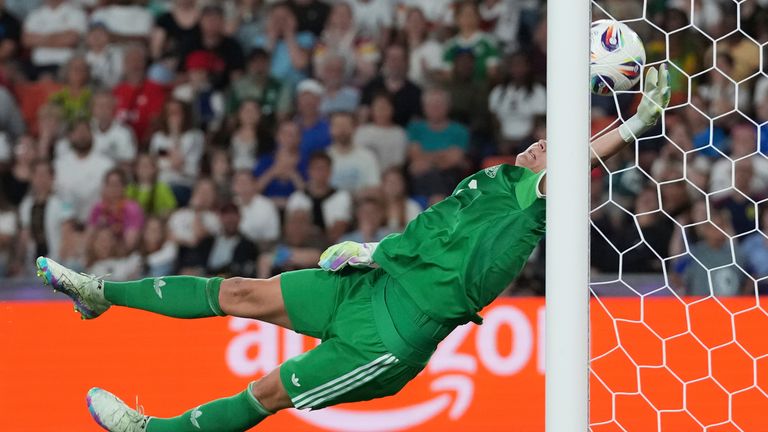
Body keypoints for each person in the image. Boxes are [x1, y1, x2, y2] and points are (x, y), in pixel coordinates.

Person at [37, 67, 670, 432]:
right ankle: (100, 295)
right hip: (370, 284)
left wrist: (631, 125)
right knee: (237, 291)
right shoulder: (493, 178)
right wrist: (370, 249)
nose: (544, 147)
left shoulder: (532, 208)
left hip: (389, 338)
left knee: (265, 394)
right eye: (545, 140)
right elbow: (429, 232)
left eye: (558, 149)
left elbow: (576, 160)